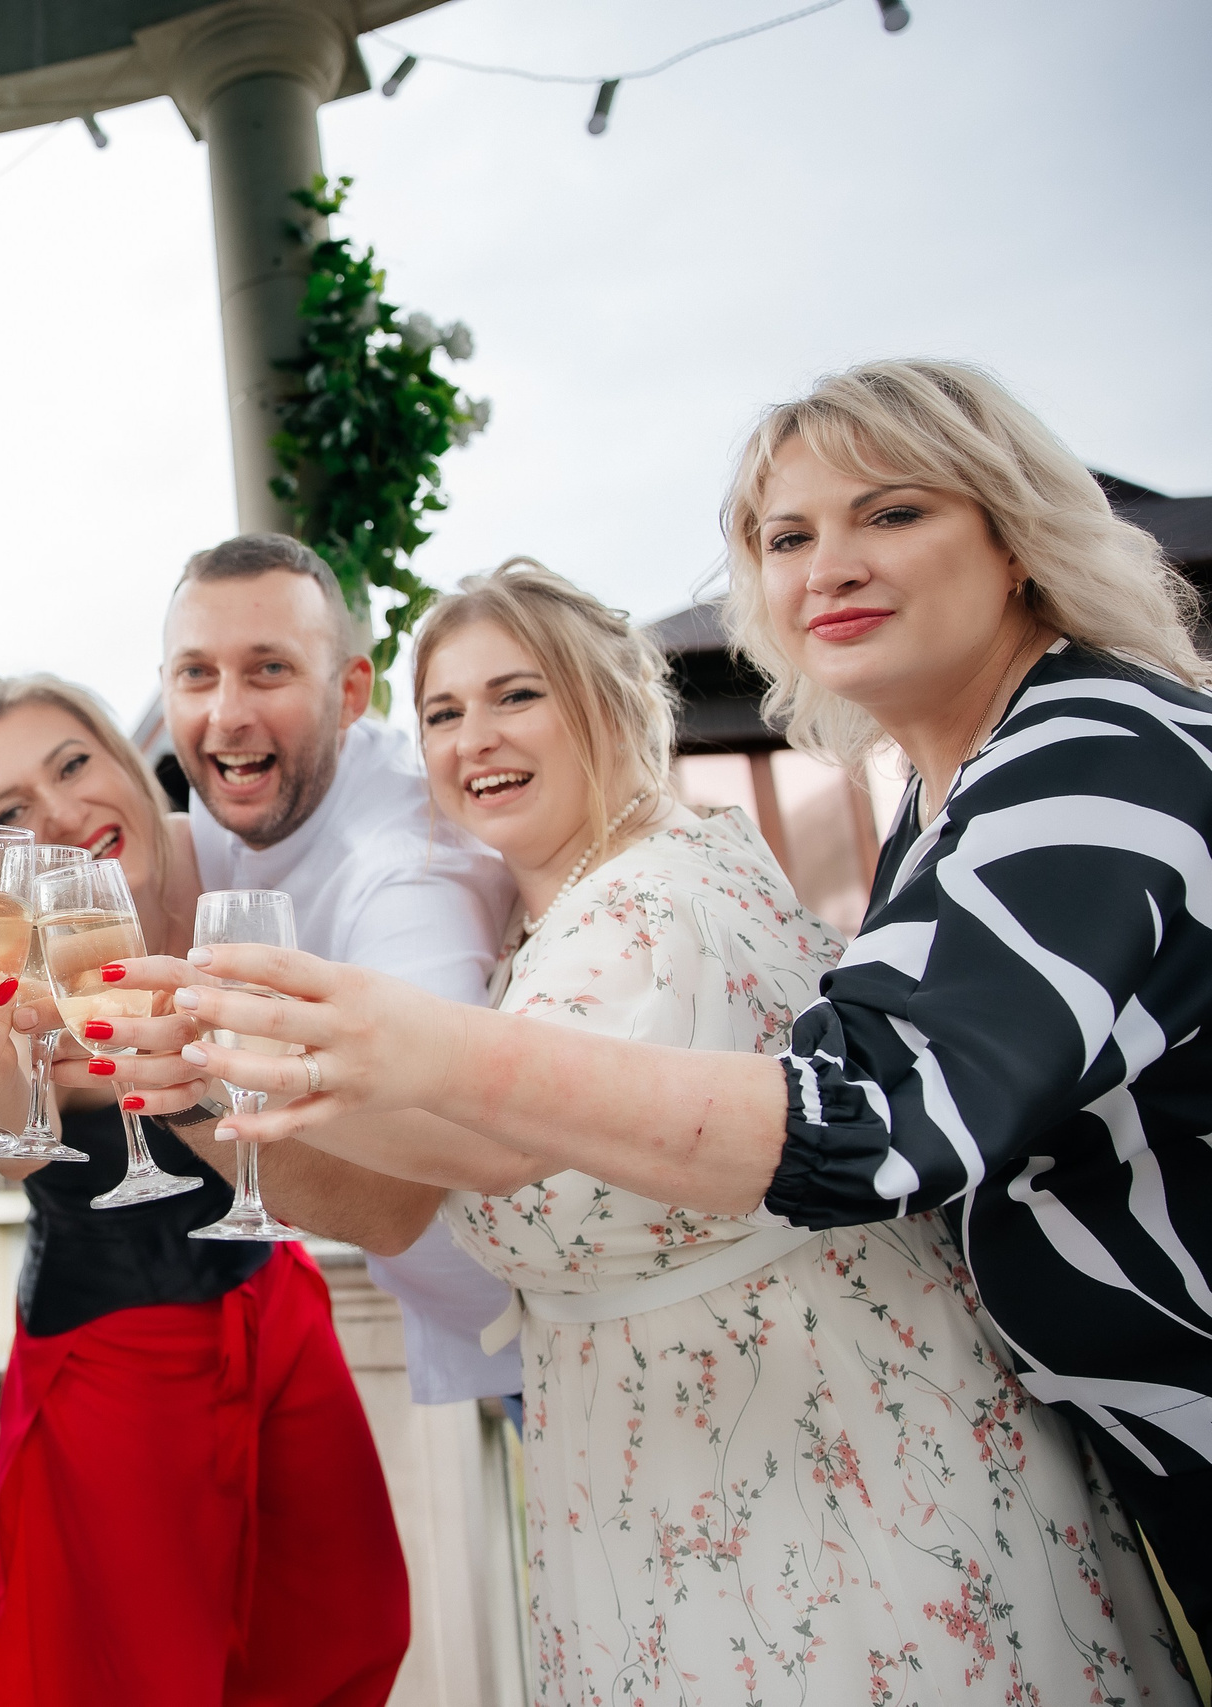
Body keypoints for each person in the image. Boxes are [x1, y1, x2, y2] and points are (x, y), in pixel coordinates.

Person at [179, 360, 1212, 1647]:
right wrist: (176, 1092)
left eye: (889, 514)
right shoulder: (950, 798)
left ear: (1014, 537)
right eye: (785, 537)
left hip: (846, 1505)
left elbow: (875, 1118)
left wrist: (409, 1045)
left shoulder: (1087, 759)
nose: (827, 566)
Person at [347, 558, 1180, 1702]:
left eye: (515, 695)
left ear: (613, 700)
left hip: (799, 1474)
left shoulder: (642, 907)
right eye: (442, 712)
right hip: (683, 1461)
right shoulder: (649, 872)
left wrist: (254, 1063)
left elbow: (496, 1145)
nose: (471, 737)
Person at [0, 673, 413, 1707]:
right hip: (114, 1361)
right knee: (132, 1679)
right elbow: (13, 1136)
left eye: (71, 765)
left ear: (119, 758)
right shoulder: (13, 979)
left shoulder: (221, 878)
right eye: (10, 814)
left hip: (276, 1308)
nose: (58, 816)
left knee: (342, 1637)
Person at [156, 533, 523, 1409]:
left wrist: (175, 1087)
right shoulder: (241, 797)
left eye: (269, 670)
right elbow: (148, 848)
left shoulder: (407, 869)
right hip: (491, 1333)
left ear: (350, 690)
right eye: (195, 674)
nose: (226, 715)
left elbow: (401, 1202)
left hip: (578, 1340)